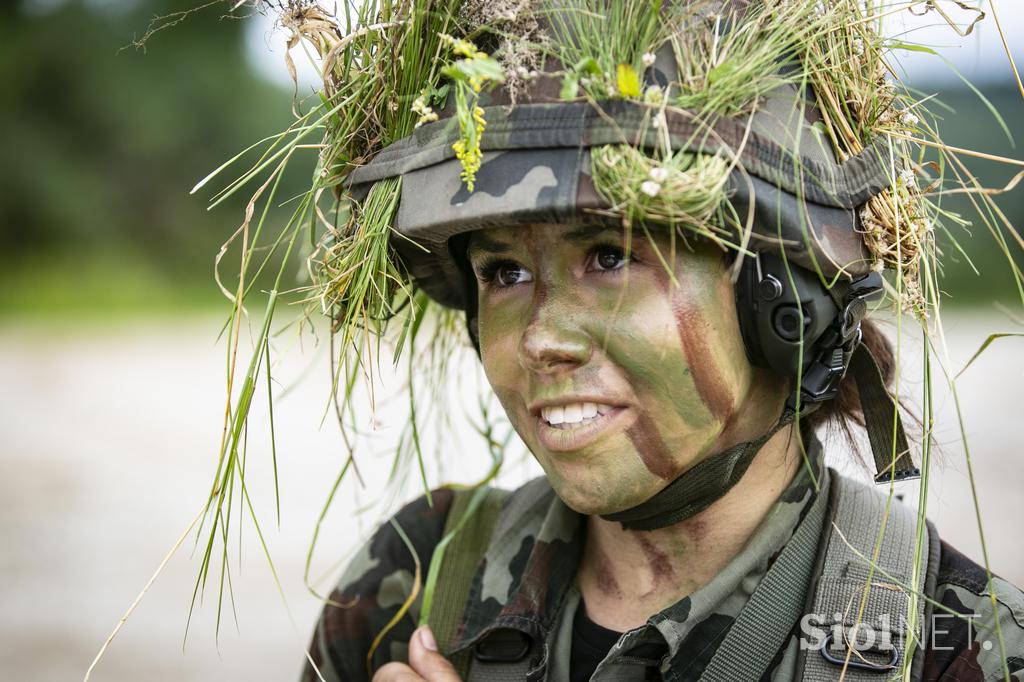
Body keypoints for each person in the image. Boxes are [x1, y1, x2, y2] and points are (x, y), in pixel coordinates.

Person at [272, 1, 1024, 680]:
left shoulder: (960, 649)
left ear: (784, 311)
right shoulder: (412, 587)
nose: (540, 340)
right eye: (502, 272)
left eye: (609, 257)